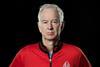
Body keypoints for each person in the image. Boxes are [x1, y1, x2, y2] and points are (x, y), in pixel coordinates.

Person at [10, 4, 92, 67]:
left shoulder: (75, 53)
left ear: (62, 25)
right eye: (45, 22)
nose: (50, 27)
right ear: (39, 26)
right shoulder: (24, 54)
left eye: (54, 22)